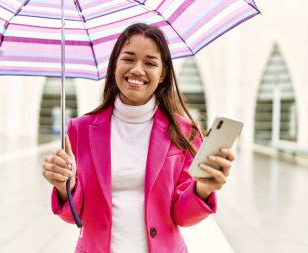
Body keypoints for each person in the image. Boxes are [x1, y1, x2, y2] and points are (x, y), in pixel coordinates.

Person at [42, 23, 235, 253]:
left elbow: (182, 217)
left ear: (162, 73)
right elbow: (76, 215)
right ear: (115, 64)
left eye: (150, 63)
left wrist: (202, 188)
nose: (137, 70)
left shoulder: (184, 132)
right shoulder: (79, 129)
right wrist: (66, 186)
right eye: (129, 59)